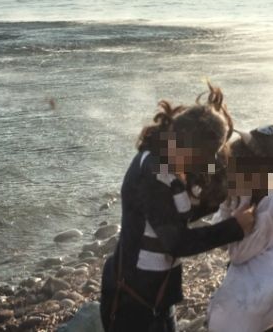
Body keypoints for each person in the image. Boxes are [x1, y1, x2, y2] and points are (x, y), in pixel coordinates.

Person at [100, 83, 256, 332]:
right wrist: (235, 227)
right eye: (199, 160)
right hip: (131, 302)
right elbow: (178, 242)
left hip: (157, 297)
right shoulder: (153, 172)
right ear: (179, 142)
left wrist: (265, 181)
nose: (204, 165)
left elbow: (177, 212)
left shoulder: (171, 163)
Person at [206, 126, 273, 332]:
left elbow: (237, 254)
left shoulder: (272, 203)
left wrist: (237, 219)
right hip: (254, 287)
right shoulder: (250, 194)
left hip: (264, 296)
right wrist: (228, 204)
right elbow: (220, 235)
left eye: (238, 167)